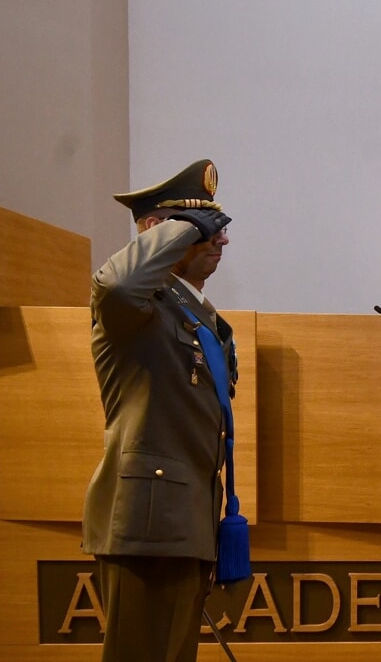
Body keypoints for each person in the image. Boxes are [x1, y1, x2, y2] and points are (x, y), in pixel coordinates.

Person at [81, 159, 238, 662]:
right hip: (147, 525)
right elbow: (118, 283)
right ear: (156, 232)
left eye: (217, 227)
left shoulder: (196, 316)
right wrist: (180, 228)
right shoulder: (136, 308)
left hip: (184, 522)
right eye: (203, 229)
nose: (220, 240)